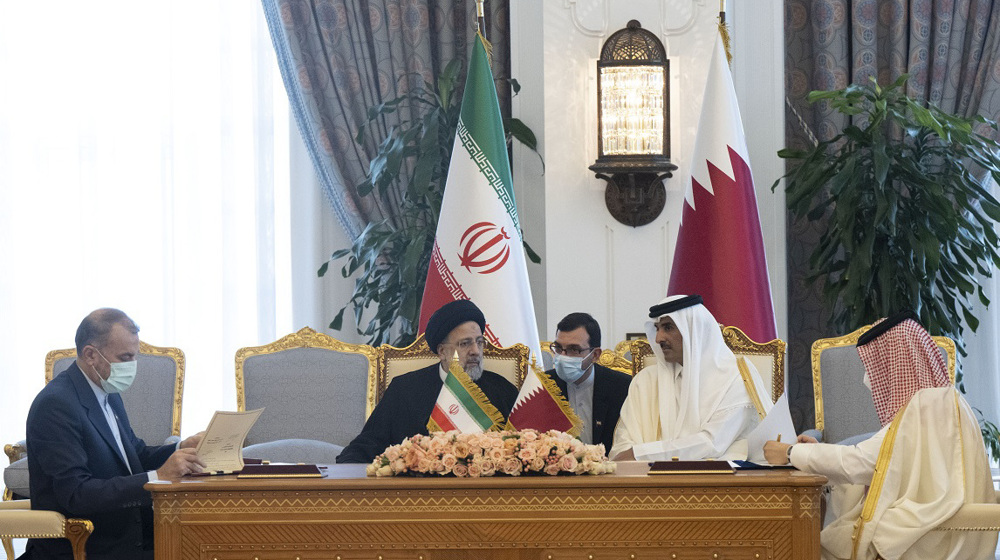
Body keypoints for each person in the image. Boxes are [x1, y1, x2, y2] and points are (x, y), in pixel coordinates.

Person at [763, 311, 996, 560]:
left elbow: (861, 462)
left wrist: (791, 452)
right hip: (948, 533)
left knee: (811, 545)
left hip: (928, 540)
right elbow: (885, 459)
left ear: (895, 364)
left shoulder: (921, 409)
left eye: (873, 367)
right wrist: (813, 451)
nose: (867, 378)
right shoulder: (950, 402)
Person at [23, 308, 205, 560]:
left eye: (134, 356)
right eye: (125, 357)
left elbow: (135, 456)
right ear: (90, 355)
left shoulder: (107, 393)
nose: (133, 366)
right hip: (88, 547)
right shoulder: (56, 404)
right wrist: (157, 478)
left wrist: (181, 448)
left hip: (132, 538)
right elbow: (76, 493)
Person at [337, 299, 519, 464]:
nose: (476, 351)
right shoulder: (404, 390)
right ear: (442, 352)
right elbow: (367, 445)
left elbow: (525, 445)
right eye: (465, 344)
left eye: (479, 342)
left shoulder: (502, 390)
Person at [610, 294, 770, 461]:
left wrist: (641, 454)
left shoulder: (736, 378)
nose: (658, 339)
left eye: (668, 327)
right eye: (657, 328)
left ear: (694, 331)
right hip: (646, 476)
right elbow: (622, 447)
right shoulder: (645, 381)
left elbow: (711, 444)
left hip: (718, 476)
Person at [544, 312, 631, 451]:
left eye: (574, 349)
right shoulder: (543, 385)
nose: (563, 356)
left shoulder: (623, 387)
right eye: (558, 348)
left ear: (595, 355)